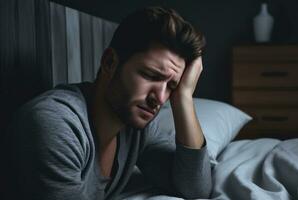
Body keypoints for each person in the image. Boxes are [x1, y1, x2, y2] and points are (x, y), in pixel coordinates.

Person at [7, 6, 212, 200]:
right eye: (150, 75)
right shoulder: (56, 125)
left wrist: (184, 97)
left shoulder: (136, 131)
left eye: (171, 87)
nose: (159, 98)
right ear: (109, 62)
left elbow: (195, 188)